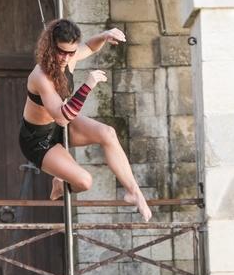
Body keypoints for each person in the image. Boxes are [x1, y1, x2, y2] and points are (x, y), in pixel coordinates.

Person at [19, 18, 152, 221]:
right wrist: (87, 85)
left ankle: (133, 192)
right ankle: (61, 184)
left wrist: (104, 35)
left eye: (70, 53)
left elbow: (89, 46)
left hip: (58, 125)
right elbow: (62, 117)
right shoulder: (41, 76)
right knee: (84, 182)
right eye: (60, 52)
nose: (65, 58)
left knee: (108, 133)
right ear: (49, 47)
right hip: (38, 140)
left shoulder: (70, 57)